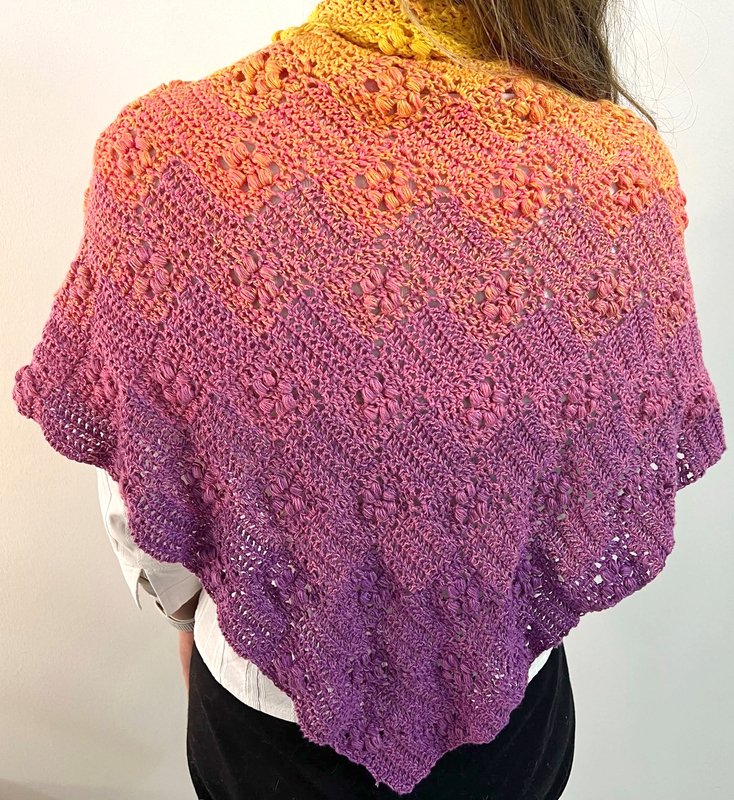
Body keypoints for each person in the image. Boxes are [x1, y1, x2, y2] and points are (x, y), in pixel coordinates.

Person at [12, 0, 725, 798]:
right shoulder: (617, 172)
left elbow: (137, 472)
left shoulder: (167, 153)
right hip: (508, 722)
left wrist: (195, 611)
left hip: (261, 726)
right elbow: (616, 459)